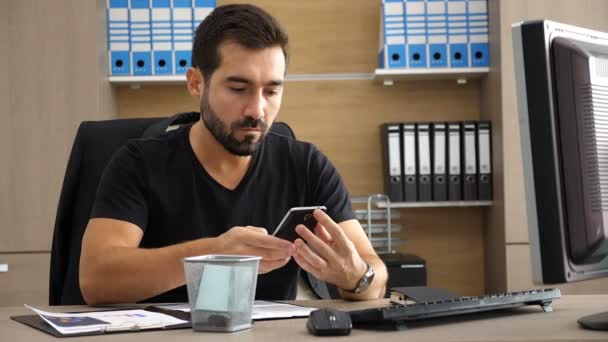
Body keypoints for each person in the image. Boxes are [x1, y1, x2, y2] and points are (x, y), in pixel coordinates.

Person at [79, 4, 387, 305]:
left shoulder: (307, 165)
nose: (257, 110)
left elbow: (376, 277)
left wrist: (356, 276)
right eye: (239, 88)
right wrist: (213, 255)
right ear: (196, 83)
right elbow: (96, 280)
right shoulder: (137, 163)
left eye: (271, 91)